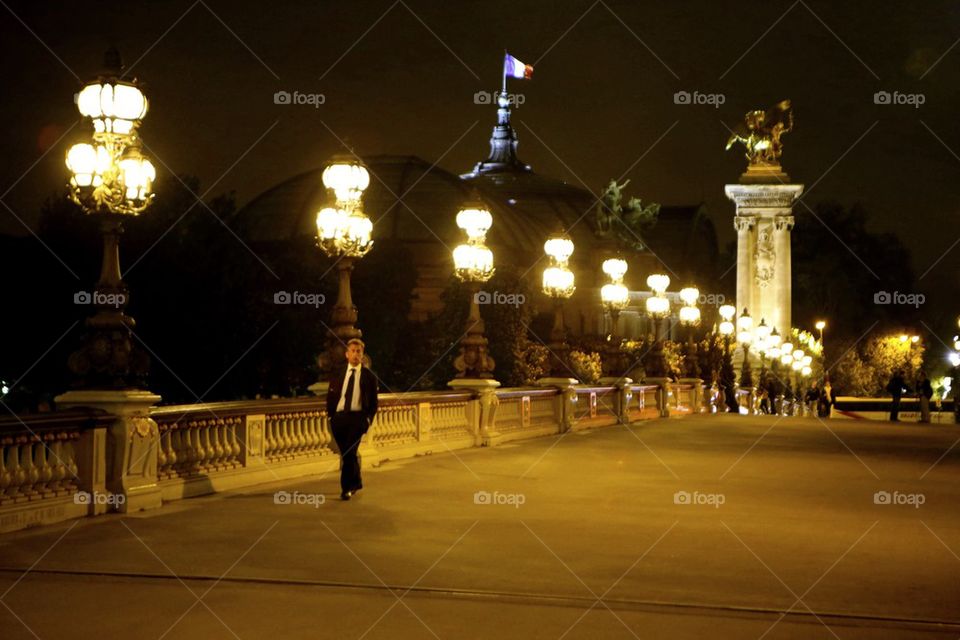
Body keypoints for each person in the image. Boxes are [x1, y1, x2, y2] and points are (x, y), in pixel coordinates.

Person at [326, 339, 379, 500]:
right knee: (347, 453)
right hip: (339, 419)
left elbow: (374, 403)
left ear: (362, 355)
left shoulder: (369, 377)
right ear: (347, 354)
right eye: (353, 351)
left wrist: (368, 420)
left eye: (359, 351)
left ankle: (346, 488)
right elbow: (331, 396)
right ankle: (357, 481)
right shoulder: (338, 374)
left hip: (358, 419)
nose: (356, 354)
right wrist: (331, 416)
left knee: (349, 452)